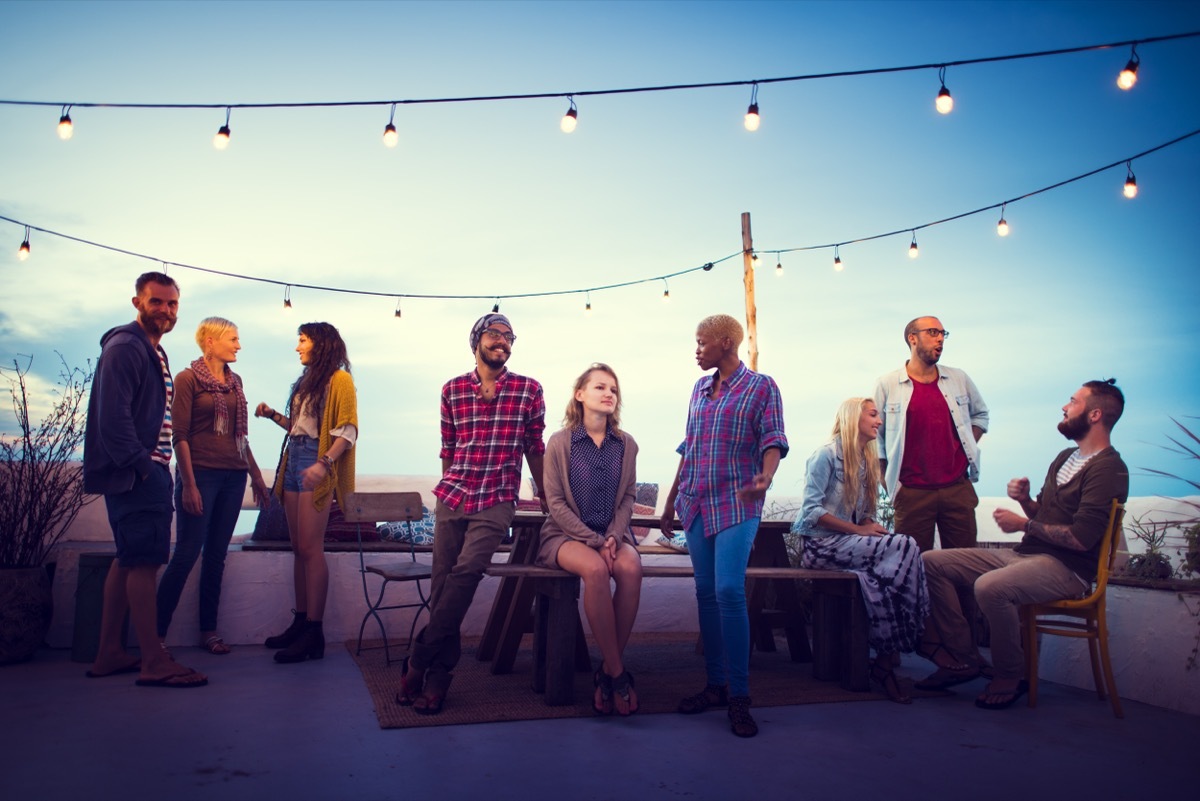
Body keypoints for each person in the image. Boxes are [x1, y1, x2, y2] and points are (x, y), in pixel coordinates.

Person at [918, 380, 1130, 710]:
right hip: (1025, 556)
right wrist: (1026, 501)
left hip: (1067, 570)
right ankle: (965, 657)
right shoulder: (1064, 458)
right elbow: (1044, 516)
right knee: (932, 561)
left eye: (1072, 402)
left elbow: (1080, 538)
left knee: (990, 588)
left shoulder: (1109, 469)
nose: (1064, 407)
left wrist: (1024, 523)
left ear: (1095, 414)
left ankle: (1010, 675)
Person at [395, 313, 547, 715]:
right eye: (494, 334)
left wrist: (548, 494)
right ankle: (438, 678)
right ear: (476, 340)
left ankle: (418, 661)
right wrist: (447, 495)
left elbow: (535, 446)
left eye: (509, 335)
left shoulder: (529, 389)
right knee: (442, 583)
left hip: (497, 496)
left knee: (466, 574)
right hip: (454, 495)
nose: (503, 340)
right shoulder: (452, 389)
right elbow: (448, 448)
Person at [660, 314, 787, 738]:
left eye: (701, 342)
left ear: (727, 342)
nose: (696, 350)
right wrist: (669, 501)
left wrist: (766, 477)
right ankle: (715, 685)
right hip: (695, 501)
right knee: (705, 593)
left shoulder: (761, 387)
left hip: (738, 502)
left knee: (729, 590)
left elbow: (773, 439)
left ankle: (740, 696)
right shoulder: (699, 389)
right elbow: (689, 446)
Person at [82, 271, 207, 688]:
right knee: (146, 562)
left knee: (128, 559)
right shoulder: (125, 348)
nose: (166, 311)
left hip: (142, 469)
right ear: (137, 302)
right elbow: (113, 419)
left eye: (172, 304)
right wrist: (143, 468)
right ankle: (152, 660)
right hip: (139, 472)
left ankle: (109, 654)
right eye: (157, 302)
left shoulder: (154, 351)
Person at [792, 397, 929, 704]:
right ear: (855, 418)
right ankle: (916, 639)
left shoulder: (866, 461)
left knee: (889, 568)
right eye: (873, 415)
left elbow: (866, 516)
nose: (879, 421)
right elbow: (811, 512)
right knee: (905, 547)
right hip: (820, 546)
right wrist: (860, 530)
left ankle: (884, 659)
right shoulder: (825, 456)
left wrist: (872, 528)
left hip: (849, 545)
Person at [156, 317, 271, 655]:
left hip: (233, 477)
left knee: (217, 556)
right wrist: (188, 484)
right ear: (209, 341)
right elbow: (180, 436)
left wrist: (256, 476)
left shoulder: (235, 382)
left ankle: (209, 631)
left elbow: (240, 436)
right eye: (233, 339)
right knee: (187, 553)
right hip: (201, 475)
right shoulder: (187, 379)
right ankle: (156, 638)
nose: (238, 345)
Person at [535, 363, 642, 716]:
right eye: (600, 387)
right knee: (596, 571)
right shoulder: (560, 443)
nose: (609, 393)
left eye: (613, 388)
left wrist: (612, 535)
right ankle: (616, 673)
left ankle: (607, 670)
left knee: (631, 567)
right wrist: (594, 540)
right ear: (580, 395)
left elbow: (627, 497)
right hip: (565, 537)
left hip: (613, 535)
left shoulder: (627, 445)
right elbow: (555, 502)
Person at [254, 322, 357, 664]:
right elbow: (300, 427)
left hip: (317, 458)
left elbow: (347, 431)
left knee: (312, 549)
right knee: (298, 548)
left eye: (302, 340)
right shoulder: (306, 380)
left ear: (321, 343)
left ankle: (315, 631)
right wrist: (272, 416)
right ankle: (300, 623)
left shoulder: (339, 379)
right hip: (296, 455)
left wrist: (324, 464)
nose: (297, 347)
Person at [873, 316, 989, 552]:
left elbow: (981, 415)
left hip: (957, 487)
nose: (940, 339)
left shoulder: (958, 378)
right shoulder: (888, 384)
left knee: (964, 563)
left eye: (943, 334)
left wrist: (964, 445)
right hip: (912, 491)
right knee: (913, 563)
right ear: (912, 338)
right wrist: (888, 484)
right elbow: (875, 437)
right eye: (933, 332)